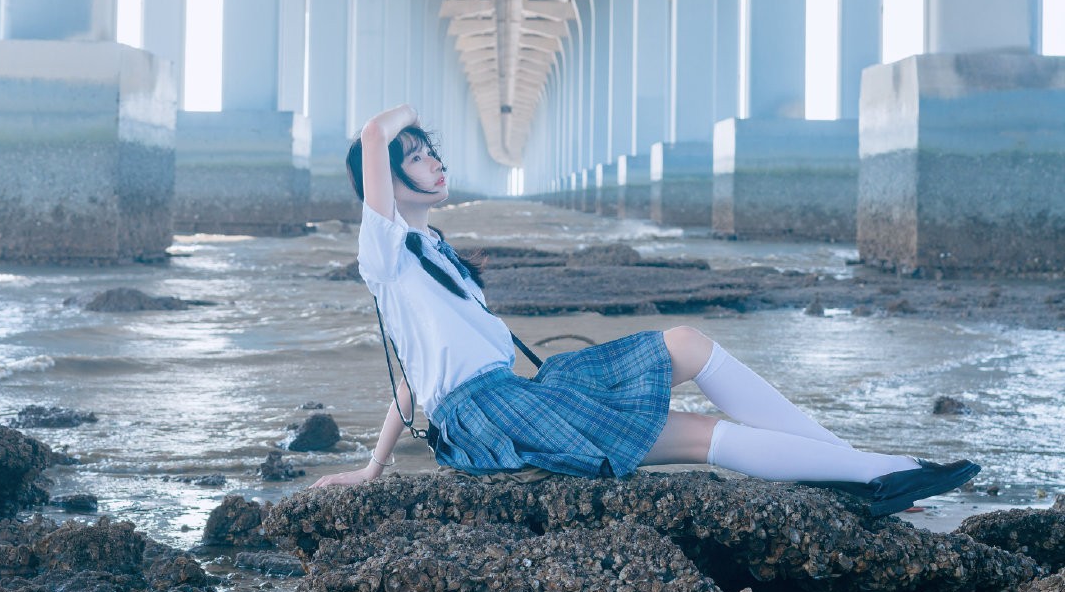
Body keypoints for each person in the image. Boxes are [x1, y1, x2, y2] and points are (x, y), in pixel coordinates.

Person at [313, 104, 979, 517]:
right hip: (495, 415)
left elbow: (414, 377)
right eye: (416, 157)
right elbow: (375, 131)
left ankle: (860, 462)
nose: (433, 161)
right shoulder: (385, 249)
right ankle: (877, 472)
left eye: (431, 151)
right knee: (692, 436)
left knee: (686, 343)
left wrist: (376, 466)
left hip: (515, 397)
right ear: (384, 183)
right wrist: (407, 118)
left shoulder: (434, 251)